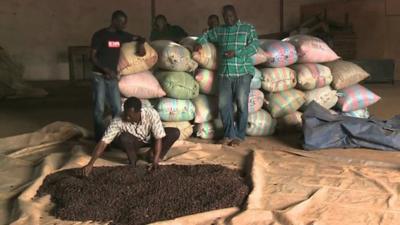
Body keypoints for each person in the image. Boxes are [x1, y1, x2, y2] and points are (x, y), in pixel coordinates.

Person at [194, 5, 259, 147]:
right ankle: (229, 135)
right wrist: (199, 43)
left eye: (231, 16)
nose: (229, 19)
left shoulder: (248, 28)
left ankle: (240, 136)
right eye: (226, 17)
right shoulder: (220, 31)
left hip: (242, 73)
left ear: (236, 14)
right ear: (223, 17)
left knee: (242, 103)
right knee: (224, 105)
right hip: (225, 74)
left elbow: (255, 46)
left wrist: (236, 53)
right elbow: (207, 35)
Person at [81, 97, 180, 176]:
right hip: (134, 142)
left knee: (175, 132)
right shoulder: (119, 119)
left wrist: (155, 161)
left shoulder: (151, 114)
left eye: (130, 116)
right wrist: (90, 164)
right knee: (124, 137)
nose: (127, 118)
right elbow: (103, 142)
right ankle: (133, 163)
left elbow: (158, 138)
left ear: (139, 112)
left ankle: (152, 156)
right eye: (126, 114)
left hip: (150, 139)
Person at [90, 10, 146, 142]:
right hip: (99, 76)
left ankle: (116, 137)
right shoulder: (100, 35)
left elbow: (139, 37)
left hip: (112, 77)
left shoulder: (122, 36)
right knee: (99, 108)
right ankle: (100, 139)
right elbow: (92, 57)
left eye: (125, 23)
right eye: (122, 23)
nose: (124, 26)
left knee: (117, 108)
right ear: (114, 21)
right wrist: (105, 70)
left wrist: (141, 44)